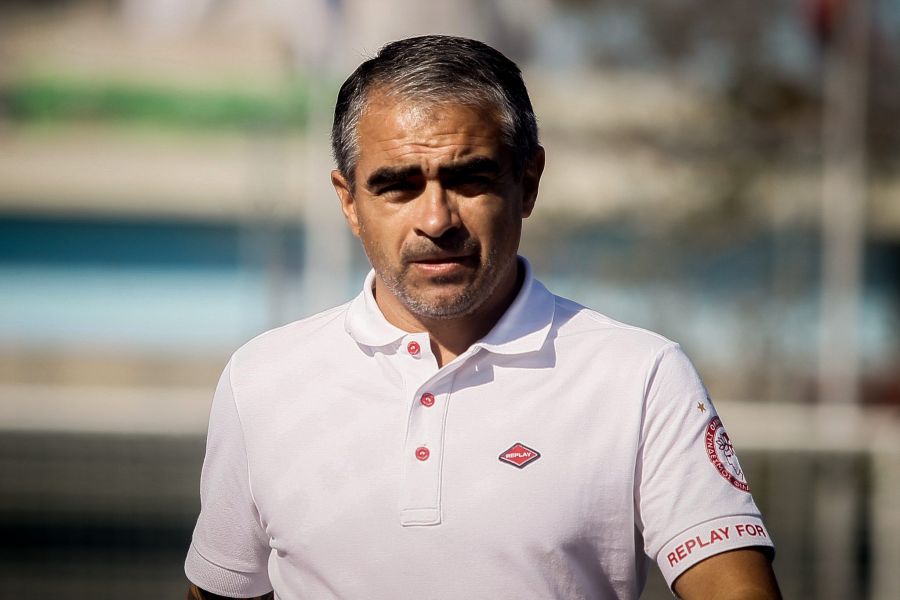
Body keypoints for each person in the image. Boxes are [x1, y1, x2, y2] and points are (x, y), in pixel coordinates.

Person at [185, 35, 781, 600]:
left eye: (470, 180)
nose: (436, 220)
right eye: (397, 187)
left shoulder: (640, 376)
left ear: (528, 183)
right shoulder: (261, 379)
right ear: (349, 201)